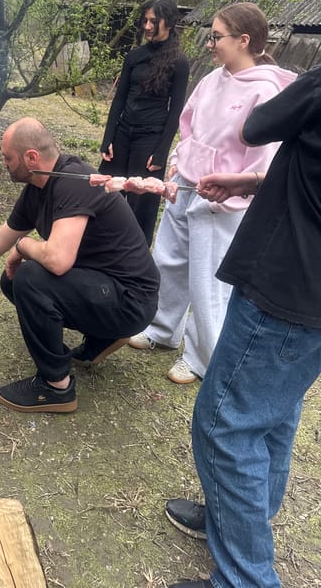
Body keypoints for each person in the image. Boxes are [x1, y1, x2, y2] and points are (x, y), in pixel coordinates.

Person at [164, 65, 321, 588]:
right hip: (310, 295)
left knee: (225, 424)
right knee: (274, 412)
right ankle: (238, 517)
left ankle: (244, 578)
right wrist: (254, 180)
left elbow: (255, 127)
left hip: (287, 284)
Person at [0, 116, 160, 413]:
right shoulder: (36, 189)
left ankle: (56, 387)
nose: (4, 164)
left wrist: (23, 246)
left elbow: (58, 261)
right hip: (104, 287)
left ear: (31, 157)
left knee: (31, 277)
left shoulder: (73, 183)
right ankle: (103, 336)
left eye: (8, 157)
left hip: (131, 299)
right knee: (13, 280)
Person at [128, 2, 296, 384]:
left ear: (244, 40)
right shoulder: (212, 79)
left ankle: (201, 356)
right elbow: (189, 126)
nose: (211, 43)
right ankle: (161, 328)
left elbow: (265, 156)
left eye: (217, 37)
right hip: (186, 185)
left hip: (223, 200)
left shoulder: (266, 90)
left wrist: (235, 193)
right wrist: (176, 160)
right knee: (168, 261)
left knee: (207, 280)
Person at [99, 0, 190, 246]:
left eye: (154, 21)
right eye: (145, 20)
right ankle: (102, 248)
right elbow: (119, 99)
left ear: (169, 22)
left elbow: (176, 112)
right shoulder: (134, 56)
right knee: (107, 192)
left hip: (150, 139)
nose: (147, 26)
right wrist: (108, 138)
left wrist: (161, 154)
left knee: (142, 204)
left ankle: (135, 257)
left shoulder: (179, 63)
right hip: (123, 133)